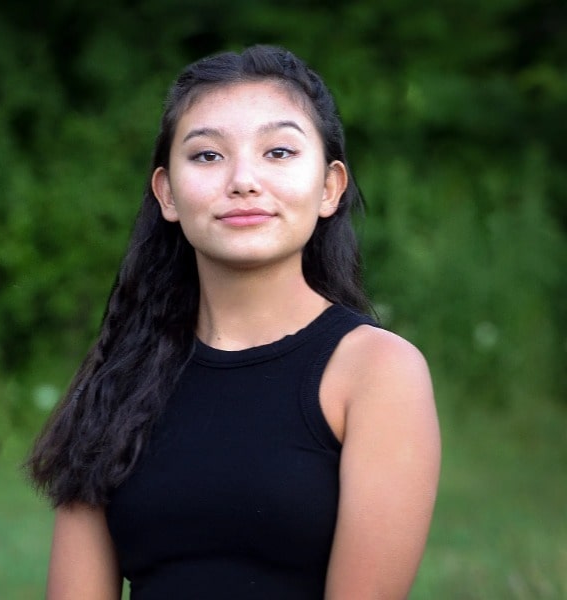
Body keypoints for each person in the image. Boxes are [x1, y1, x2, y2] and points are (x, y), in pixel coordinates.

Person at [28, 44, 440, 599]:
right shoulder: (119, 377)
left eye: (278, 151)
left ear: (329, 188)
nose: (243, 180)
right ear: (167, 193)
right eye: (206, 156)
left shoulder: (376, 372)